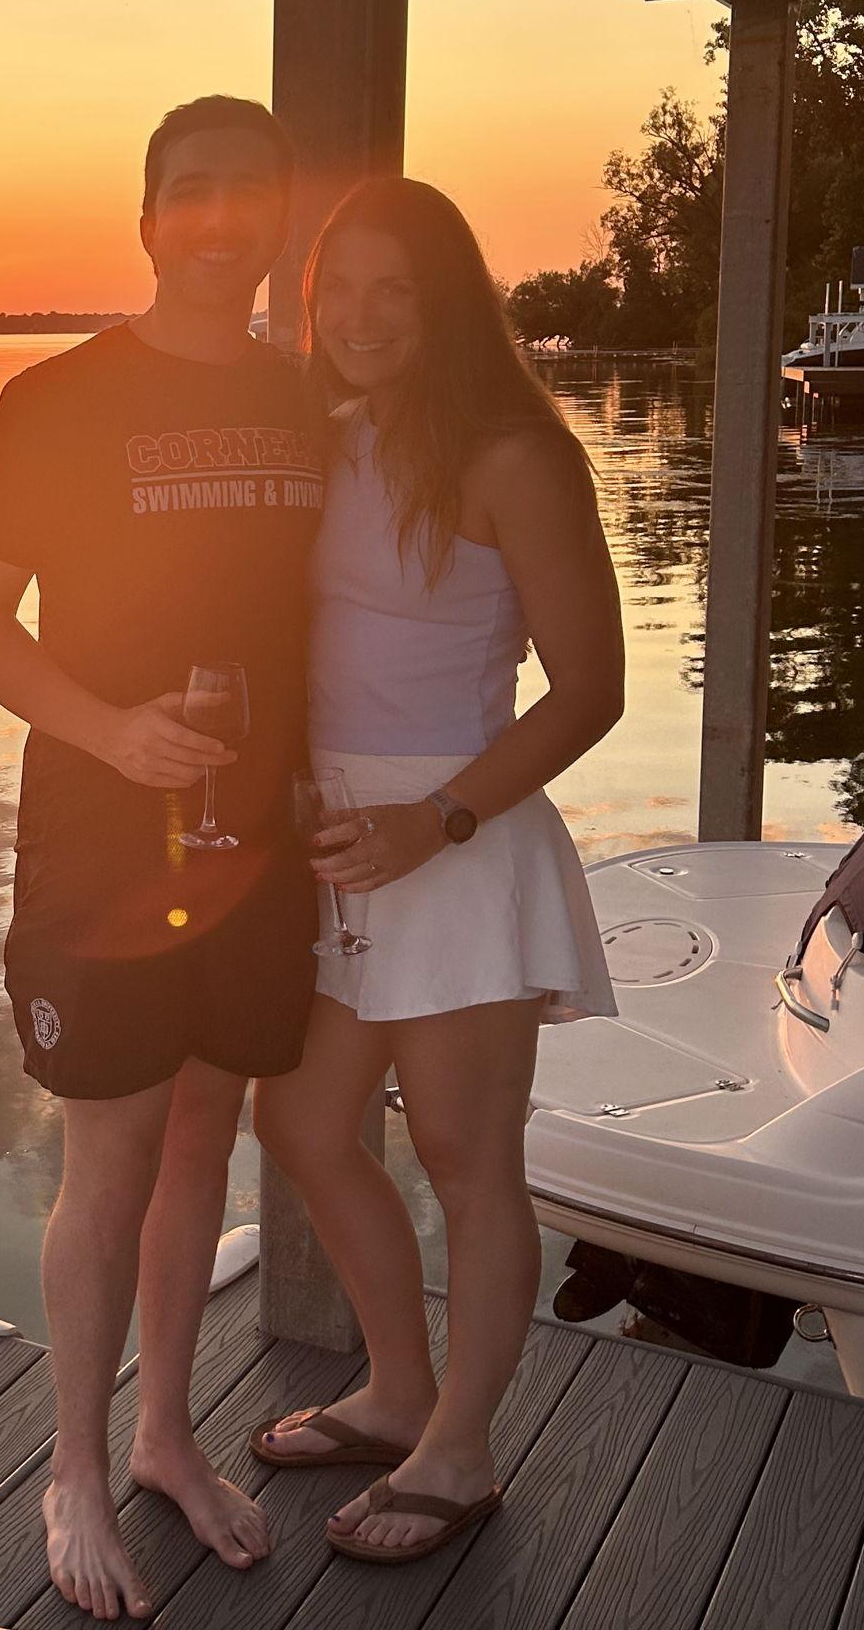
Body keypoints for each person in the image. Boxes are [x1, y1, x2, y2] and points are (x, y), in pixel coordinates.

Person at [0, 96, 325, 1622]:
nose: (220, 216)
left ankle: (167, 1433)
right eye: (193, 191)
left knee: (203, 1136)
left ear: (275, 220)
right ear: (150, 219)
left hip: (258, 846)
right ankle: (76, 1472)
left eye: (249, 192)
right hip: (106, 839)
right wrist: (111, 731)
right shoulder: (54, 399)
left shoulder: (307, 405)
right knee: (104, 1162)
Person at [248, 176, 623, 1565]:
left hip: (457, 842)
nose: (357, 317)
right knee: (299, 1124)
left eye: (393, 290)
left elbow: (591, 689)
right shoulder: (328, 438)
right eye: (337, 288)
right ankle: (399, 1387)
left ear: (449, 301)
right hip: (341, 839)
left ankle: (459, 1453)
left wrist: (439, 821)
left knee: (469, 1162)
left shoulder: (514, 454)